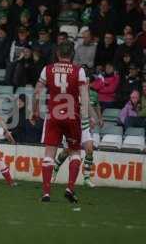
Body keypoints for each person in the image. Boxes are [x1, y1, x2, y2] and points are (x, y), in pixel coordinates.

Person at [33, 41, 90, 203]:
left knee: (49, 154)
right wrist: (85, 115)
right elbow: (84, 95)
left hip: (53, 115)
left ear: (58, 54)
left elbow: (37, 91)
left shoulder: (47, 69)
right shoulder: (79, 71)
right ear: (72, 55)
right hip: (72, 115)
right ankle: (70, 188)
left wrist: (34, 110)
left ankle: (45, 193)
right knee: (75, 152)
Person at [53, 75, 103, 188]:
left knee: (90, 149)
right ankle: (55, 168)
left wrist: (94, 118)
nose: (87, 84)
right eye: (85, 82)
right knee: (66, 151)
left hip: (84, 128)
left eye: (88, 82)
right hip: (72, 127)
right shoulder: (72, 94)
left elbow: (94, 107)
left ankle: (86, 178)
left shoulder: (90, 95)